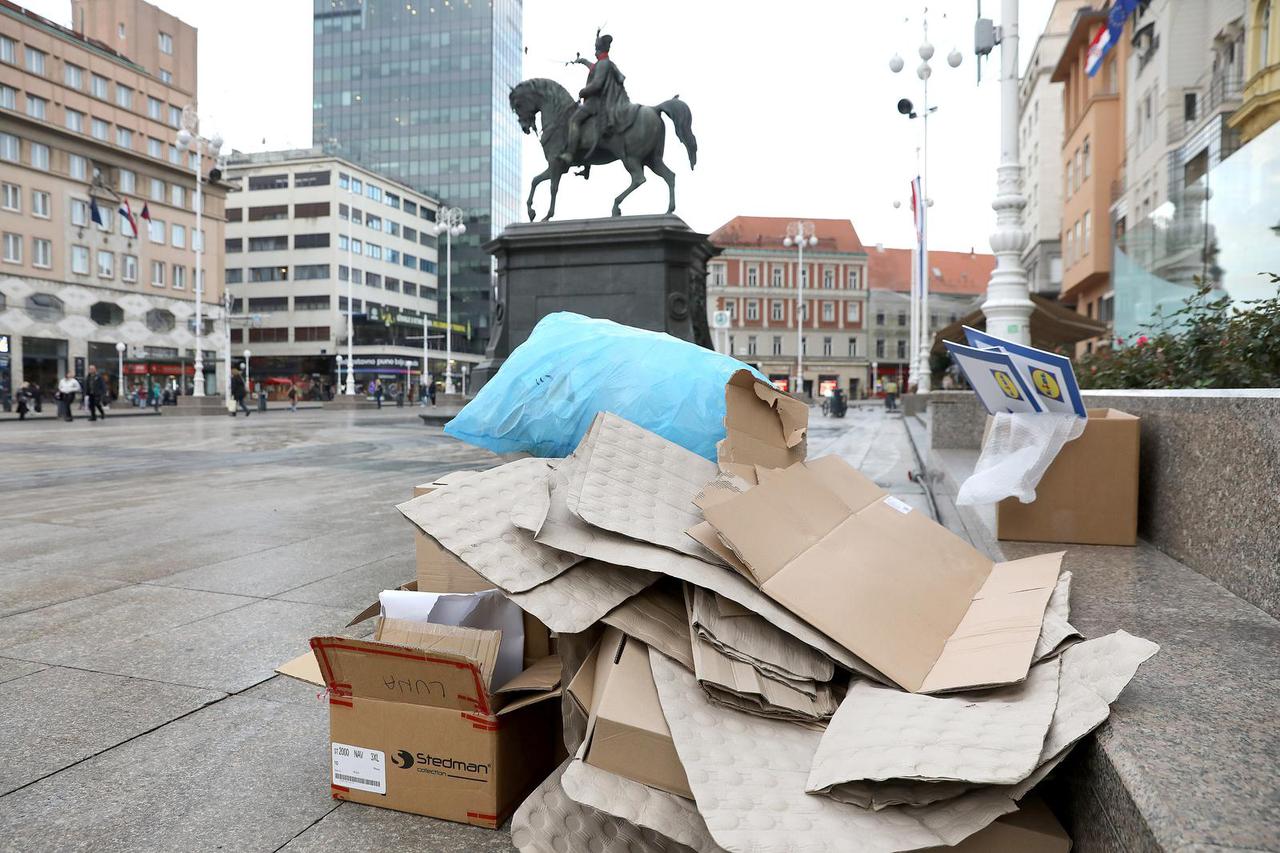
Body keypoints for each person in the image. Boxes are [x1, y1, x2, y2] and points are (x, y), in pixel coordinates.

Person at [559, 32, 635, 166]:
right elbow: (592, 67)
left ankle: (570, 153)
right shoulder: (603, 63)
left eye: (596, 48)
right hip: (597, 102)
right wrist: (581, 61)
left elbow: (597, 84)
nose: (595, 51)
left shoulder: (603, 64)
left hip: (595, 103)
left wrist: (583, 91)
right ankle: (585, 165)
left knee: (574, 120)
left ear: (599, 49)